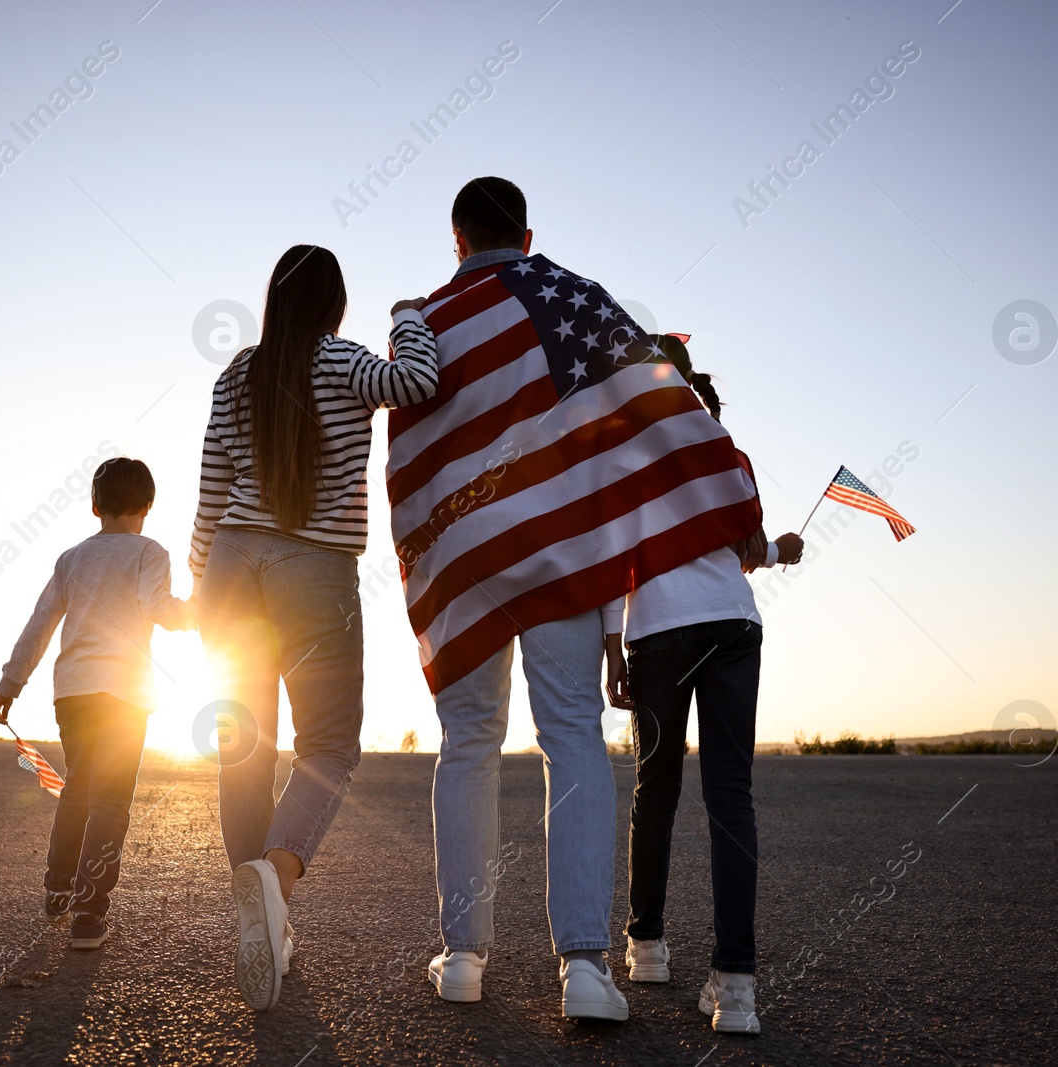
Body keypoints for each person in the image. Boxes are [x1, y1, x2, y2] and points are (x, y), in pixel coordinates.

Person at [385, 179, 763, 1022]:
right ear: (526, 233)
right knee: (571, 739)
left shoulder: (425, 322)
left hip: (468, 563)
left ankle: (462, 957)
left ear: (456, 240)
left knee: (468, 744)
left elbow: (413, 449)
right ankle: (586, 968)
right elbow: (645, 396)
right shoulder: (567, 296)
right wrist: (719, 479)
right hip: (557, 561)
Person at [189, 244, 437, 1011]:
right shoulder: (344, 360)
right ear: (334, 303)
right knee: (327, 745)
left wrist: (200, 580)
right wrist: (406, 317)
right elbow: (419, 381)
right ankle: (277, 873)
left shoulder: (237, 372)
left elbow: (211, 487)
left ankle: (263, 916)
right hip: (313, 567)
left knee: (245, 748)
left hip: (231, 564)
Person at [603, 334, 803, 1035]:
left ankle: (646, 944)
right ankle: (738, 984)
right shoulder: (727, 450)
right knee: (730, 797)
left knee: (655, 786)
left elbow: (612, 557)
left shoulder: (626, 452)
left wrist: (610, 646)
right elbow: (746, 547)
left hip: (660, 631)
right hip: (732, 627)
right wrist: (780, 550)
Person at [0, 457, 192, 951]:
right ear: (148, 505)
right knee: (111, 800)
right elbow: (159, 608)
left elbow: (39, 626)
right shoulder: (150, 552)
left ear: (95, 506)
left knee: (79, 789)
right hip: (126, 694)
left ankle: (58, 887)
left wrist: (9, 684)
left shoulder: (72, 558)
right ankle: (88, 914)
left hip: (74, 693)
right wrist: (208, 613)